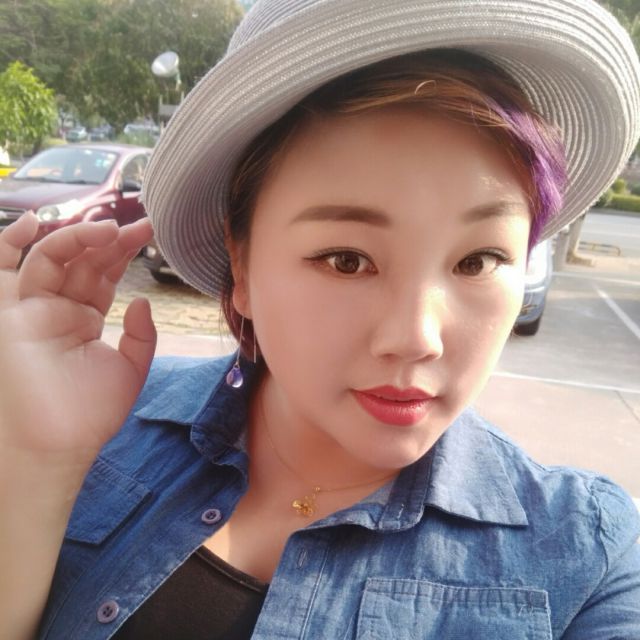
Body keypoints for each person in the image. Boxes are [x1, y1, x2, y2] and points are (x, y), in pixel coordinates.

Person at [2, 1, 639, 638]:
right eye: (346, 260)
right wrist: (34, 460)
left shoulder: (588, 555)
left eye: (478, 261)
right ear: (242, 266)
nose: (415, 339)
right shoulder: (102, 422)